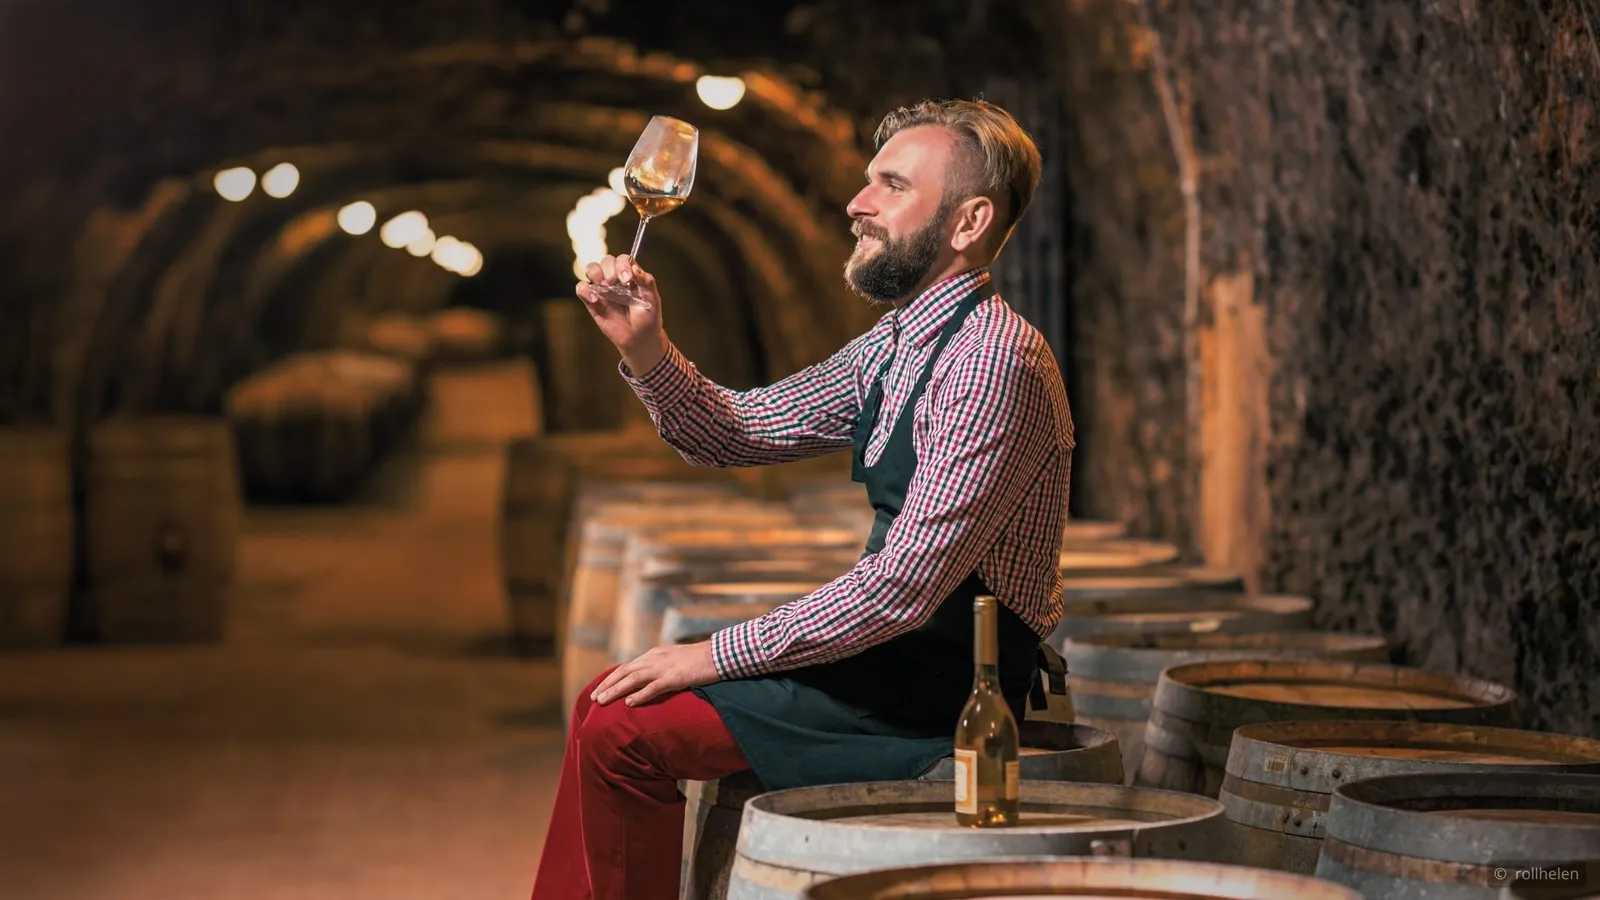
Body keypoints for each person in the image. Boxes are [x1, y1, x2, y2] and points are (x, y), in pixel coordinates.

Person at [530, 98, 1075, 900]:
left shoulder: (994, 361)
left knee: (622, 729)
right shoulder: (897, 343)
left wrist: (710, 653)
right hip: (885, 663)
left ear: (968, 222)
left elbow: (900, 591)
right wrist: (647, 350)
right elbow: (739, 432)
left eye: (890, 186)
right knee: (602, 705)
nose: (857, 205)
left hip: (944, 690)